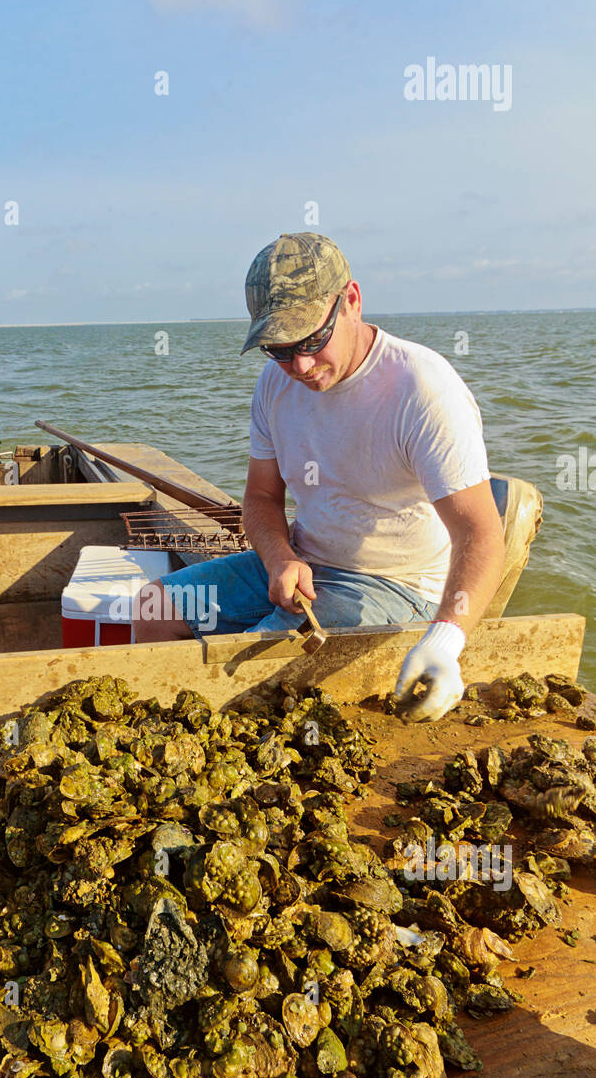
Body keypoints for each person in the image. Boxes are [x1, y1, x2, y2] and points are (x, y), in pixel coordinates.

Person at [133, 232, 506, 722]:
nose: (300, 366)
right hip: (305, 564)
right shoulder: (275, 386)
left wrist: (444, 640)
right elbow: (262, 497)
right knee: (152, 607)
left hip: (396, 584)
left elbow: (481, 533)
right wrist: (280, 558)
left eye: (311, 340)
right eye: (279, 349)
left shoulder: (421, 390)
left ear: (350, 301)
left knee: (243, 665)